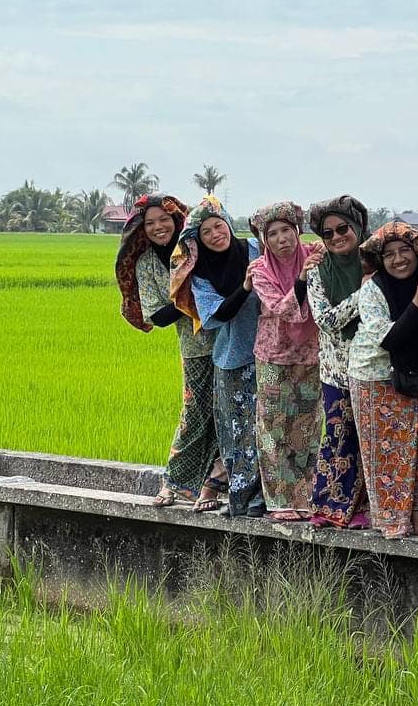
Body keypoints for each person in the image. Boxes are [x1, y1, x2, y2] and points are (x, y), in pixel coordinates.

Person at [115, 193, 221, 509]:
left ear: (177, 221)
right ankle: (173, 483)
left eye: (164, 219)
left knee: (230, 414)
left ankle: (213, 486)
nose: (159, 227)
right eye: (150, 223)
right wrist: (192, 297)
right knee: (195, 414)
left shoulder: (197, 248)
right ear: (142, 230)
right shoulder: (147, 264)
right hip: (194, 348)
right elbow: (157, 315)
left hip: (230, 342)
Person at [349, 222, 418, 539]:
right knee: (387, 451)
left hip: (416, 371)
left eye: (405, 250)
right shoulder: (372, 290)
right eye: (389, 254)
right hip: (374, 375)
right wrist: (417, 301)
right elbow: (389, 340)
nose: (398, 259)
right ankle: (392, 520)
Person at [169, 195, 264, 517]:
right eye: (205, 232)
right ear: (197, 242)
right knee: (237, 430)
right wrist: (246, 287)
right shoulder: (201, 275)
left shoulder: (255, 249)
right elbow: (217, 314)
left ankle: (268, 497)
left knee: (269, 428)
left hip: (272, 352)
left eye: (217, 226)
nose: (215, 235)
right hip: (231, 356)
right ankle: (241, 498)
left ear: (227, 224)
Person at [248, 201, 324, 522]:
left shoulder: (315, 253)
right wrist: (303, 279)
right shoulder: (259, 271)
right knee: (273, 426)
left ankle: (305, 496)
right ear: (265, 240)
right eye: (273, 234)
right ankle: (280, 500)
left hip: (312, 352)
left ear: (297, 231)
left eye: (287, 231)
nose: (282, 239)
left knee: (307, 424)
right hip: (274, 354)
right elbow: (281, 307)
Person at [303, 196, 371, 529]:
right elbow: (326, 320)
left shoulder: (377, 264)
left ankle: (366, 510)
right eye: (327, 233)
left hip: (375, 368)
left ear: (357, 228)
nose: (335, 237)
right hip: (335, 370)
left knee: (369, 439)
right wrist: (363, 295)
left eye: (342, 228)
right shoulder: (316, 269)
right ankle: (329, 507)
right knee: (336, 438)